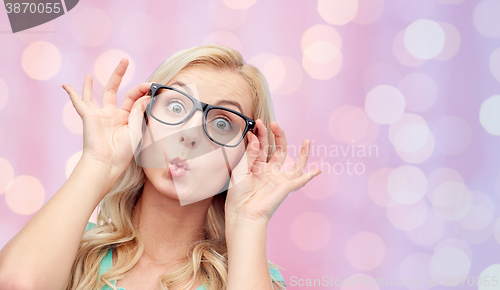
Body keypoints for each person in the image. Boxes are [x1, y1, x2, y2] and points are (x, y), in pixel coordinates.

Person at [0, 45, 321, 290]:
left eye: (222, 122)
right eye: (177, 105)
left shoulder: (249, 274)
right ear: (145, 117)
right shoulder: (68, 246)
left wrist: (249, 219)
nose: (189, 136)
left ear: (248, 154)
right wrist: (98, 161)